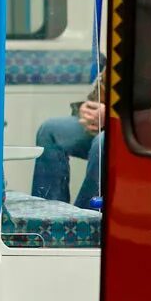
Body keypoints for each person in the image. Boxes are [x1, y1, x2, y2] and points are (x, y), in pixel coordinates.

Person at [32, 80, 105, 209]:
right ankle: (49, 216)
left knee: (102, 142)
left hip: (138, 130)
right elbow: (100, 93)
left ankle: (85, 221)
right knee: (50, 130)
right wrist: (87, 110)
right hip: (108, 122)